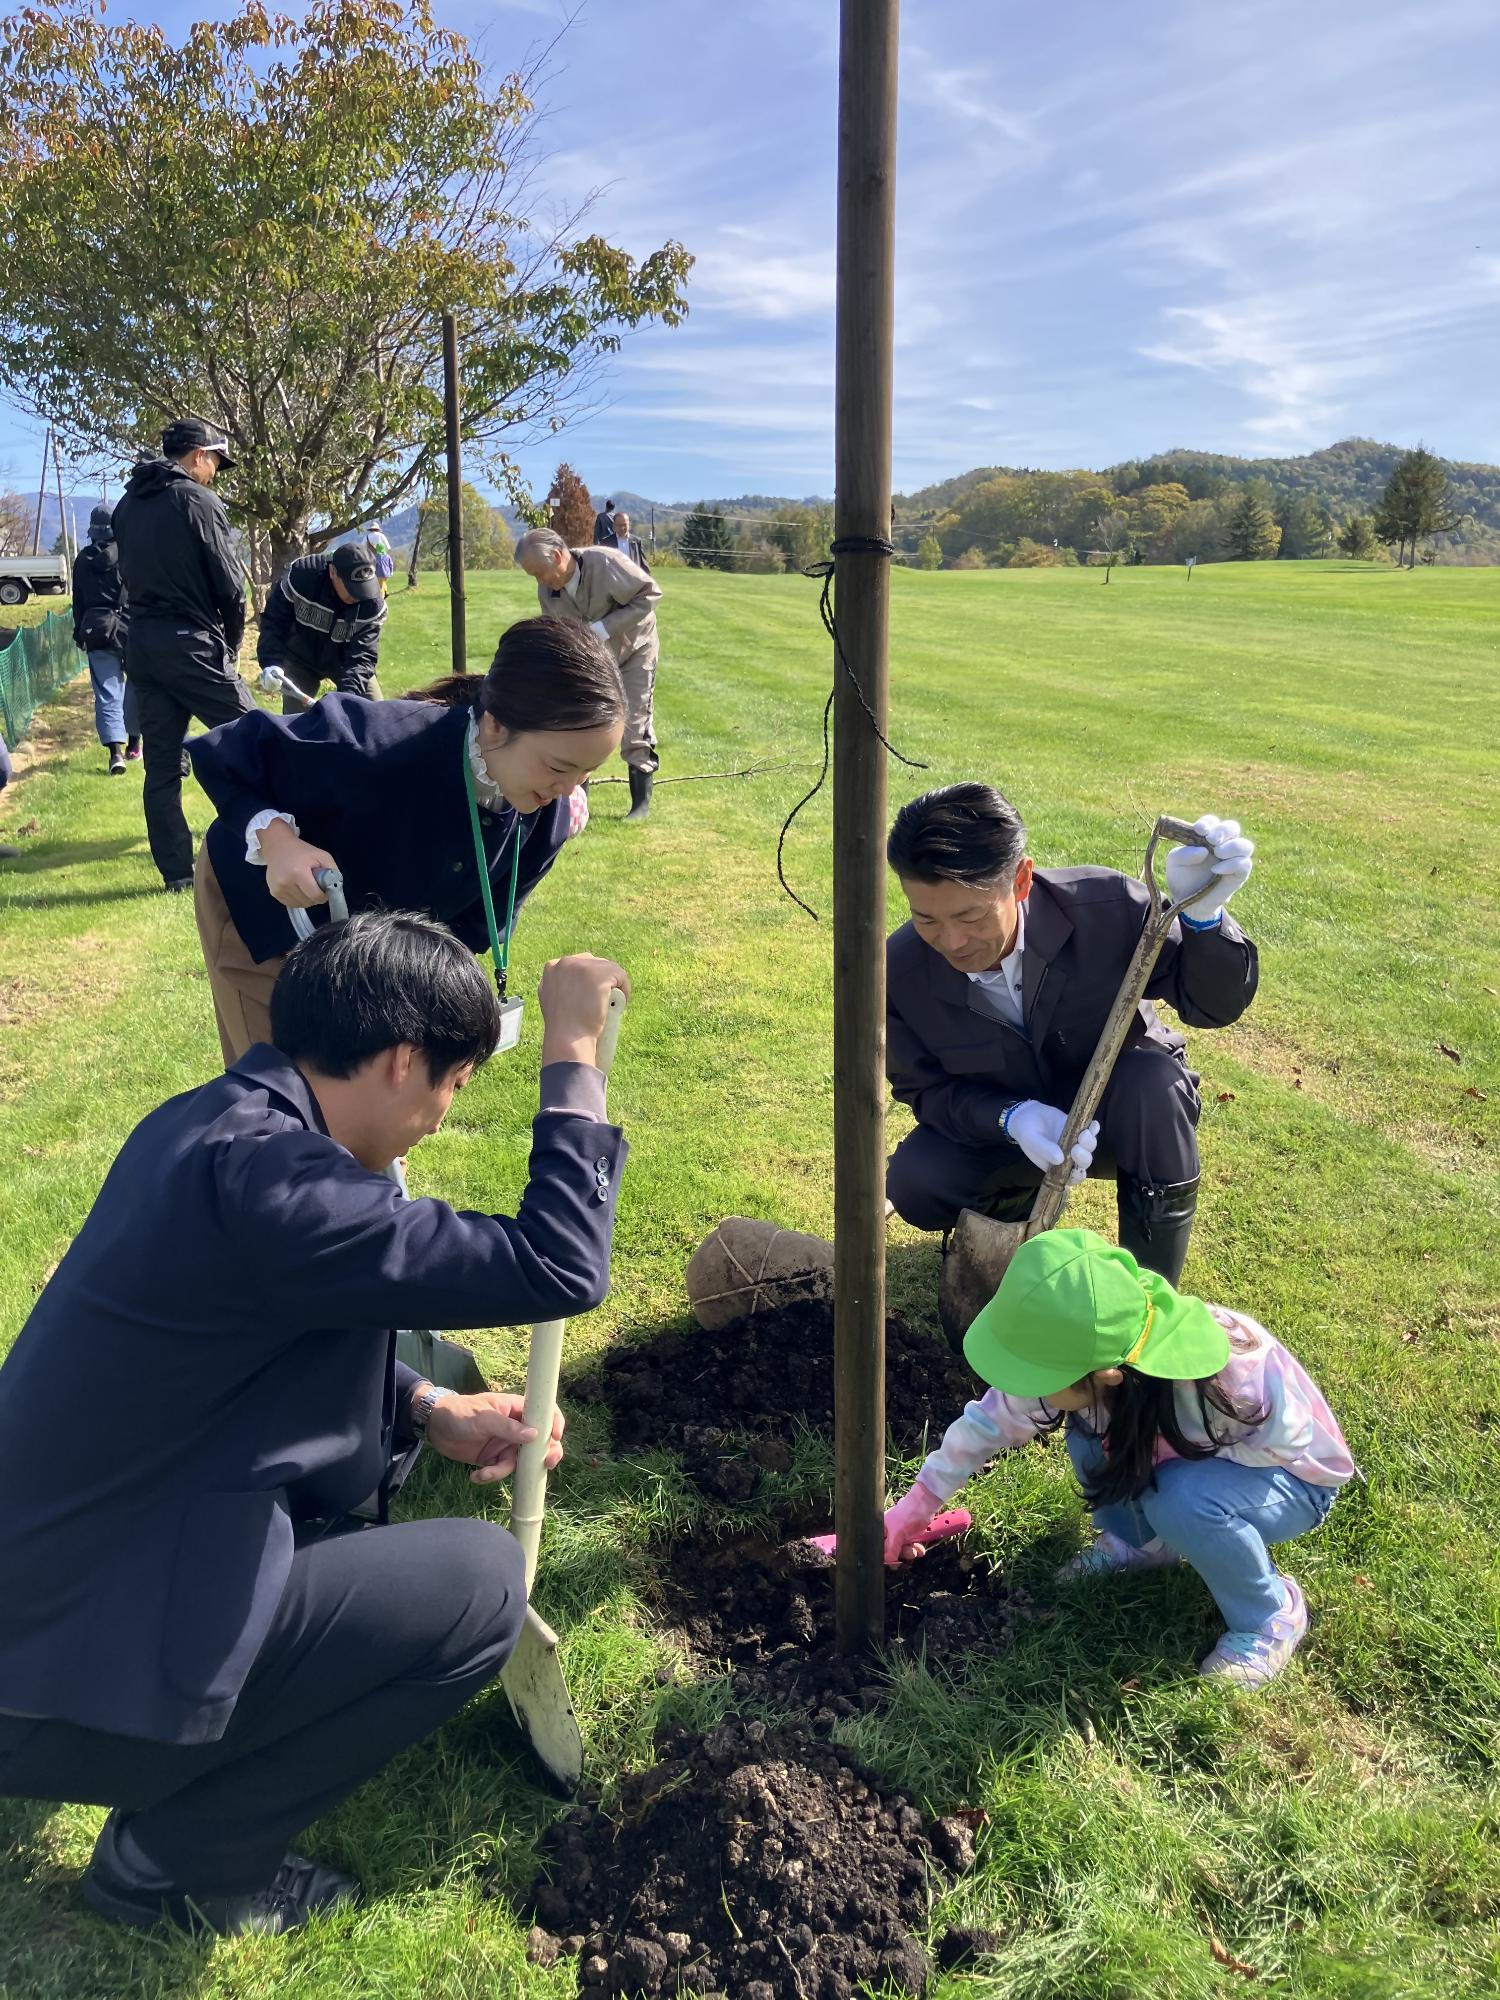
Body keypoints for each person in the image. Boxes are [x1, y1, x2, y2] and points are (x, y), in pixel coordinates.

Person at [0, 911, 628, 1935]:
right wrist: (571, 1054)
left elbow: (245, 1337)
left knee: (388, 1486)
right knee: (475, 1587)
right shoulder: (286, 1187)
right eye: (454, 1083)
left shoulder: (214, 1122)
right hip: (51, 1685)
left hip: (41, 1591)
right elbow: (560, 1264)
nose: (440, 1113)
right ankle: (165, 1864)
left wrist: (427, 1407)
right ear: (399, 1060)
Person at [880, 1228, 1354, 1689]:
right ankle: (1142, 1544)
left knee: (1179, 1502)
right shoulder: (1093, 1355)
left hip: (1287, 1477)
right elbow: (987, 1422)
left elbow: (1299, 1452)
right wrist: (914, 1507)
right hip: (1183, 1451)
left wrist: (1173, 1482)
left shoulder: (1226, 1386)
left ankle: (1269, 1613)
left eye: (1035, 1374)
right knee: (1093, 1435)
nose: (1023, 1387)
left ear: (1107, 1374)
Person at [189, 616, 624, 1065]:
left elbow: (471, 929)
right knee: (285, 1087)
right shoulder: (370, 744)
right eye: (558, 768)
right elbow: (227, 755)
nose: (568, 790)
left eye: (585, 774)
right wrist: (278, 842)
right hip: (266, 911)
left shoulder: (547, 818)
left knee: (368, 1091)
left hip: (364, 949)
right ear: (495, 727)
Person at [885, 784, 1258, 1284]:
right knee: (917, 1181)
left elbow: (1211, 1005)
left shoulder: (1107, 910)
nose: (951, 942)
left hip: (1120, 1116)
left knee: (1155, 1084)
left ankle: (1151, 1293)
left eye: (970, 916)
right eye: (925, 918)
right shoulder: (901, 970)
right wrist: (1010, 1118)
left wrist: (1203, 918)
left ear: (1020, 880)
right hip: (1013, 1133)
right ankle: (1015, 1204)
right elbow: (925, 1090)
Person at [111, 418, 253, 892]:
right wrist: (229, 647)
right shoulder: (197, 499)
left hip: (142, 645)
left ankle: (176, 874)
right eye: (215, 461)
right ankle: (278, 842)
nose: (215, 472)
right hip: (190, 641)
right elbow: (231, 585)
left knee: (162, 765)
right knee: (255, 738)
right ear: (198, 456)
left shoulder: (128, 505)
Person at [515, 526, 661, 822]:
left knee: (634, 721)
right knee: (580, 722)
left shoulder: (606, 563)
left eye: (539, 572)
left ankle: (640, 806)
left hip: (636, 650)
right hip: (592, 658)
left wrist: (604, 628)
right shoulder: (548, 590)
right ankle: (578, 802)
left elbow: (650, 595)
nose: (539, 581)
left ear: (557, 556)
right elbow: (557, 631)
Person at [257, 541, 388, 711]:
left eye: (363, 588)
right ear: (333, 571)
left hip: (347, 663)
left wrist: (347, 698)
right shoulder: (300, 578)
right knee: (295, 724)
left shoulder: (372, 604)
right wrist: (271, 662)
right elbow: (274, 622)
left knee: (374, 714)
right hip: (300, 659)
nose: (358, 596)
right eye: (351, 588)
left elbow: (363, 657)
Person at [71, 504, 140, 773]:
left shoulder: (82, 560)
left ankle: (116, 754)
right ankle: (135, 744)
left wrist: (80, 632)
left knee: (107, 693)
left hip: (96, 631)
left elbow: (78, 602)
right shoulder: (131, 555)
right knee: (136, 686)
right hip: (130, 629)